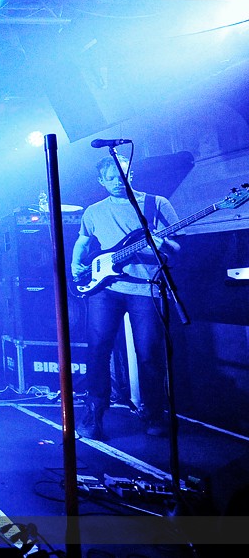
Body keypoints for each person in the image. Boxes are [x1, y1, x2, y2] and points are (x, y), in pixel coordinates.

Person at [71, 155, 180, 440]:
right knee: (97, 349)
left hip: (146, 288)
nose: (117, 182)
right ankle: (94, 414)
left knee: (149, 353)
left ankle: (154, 413)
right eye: (110, 179)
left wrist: (162, 242)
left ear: (131, 174)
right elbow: (83, 240)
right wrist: (75, 263)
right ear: (101, 181)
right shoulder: (93, 211)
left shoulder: (156, 204)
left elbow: (179, 247)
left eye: (122, 176)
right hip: (105, 289)